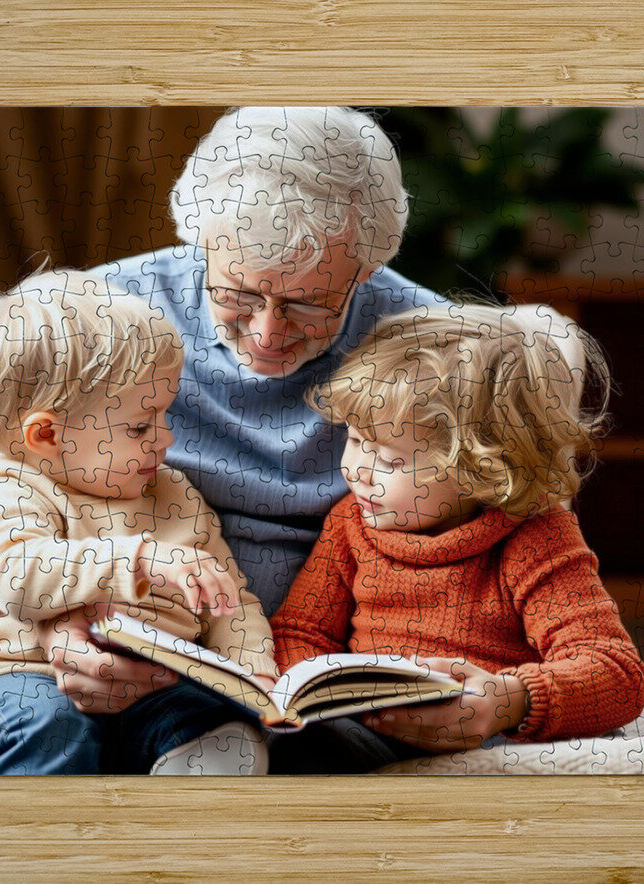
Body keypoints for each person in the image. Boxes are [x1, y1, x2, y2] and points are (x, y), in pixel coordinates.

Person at [41, 106, 586, 753]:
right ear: (201, 244)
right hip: (140, 634)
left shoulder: (438, 356)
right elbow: (16, 506)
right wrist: (55, 624)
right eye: (237, 294)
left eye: (309, 303)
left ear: (367, 268)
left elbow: (526, 526)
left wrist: (510, 697)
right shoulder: (96, 320)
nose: (268, 333)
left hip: (334, 688)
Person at [0, 270, 279, 774]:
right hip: (10, 682)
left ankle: (193, 836)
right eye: (139, 425)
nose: (166, 439)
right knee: (45, 723)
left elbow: (229, 603)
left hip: (153, 690)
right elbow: (21, 576)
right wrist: (143, 558)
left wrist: (254, 672)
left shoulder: (174, 494)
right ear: (45, 434)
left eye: (164, 415)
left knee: (221, 725)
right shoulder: (2, 489)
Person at [266, 303, 644, 773]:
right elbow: (301, 630)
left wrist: (506, 701)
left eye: (388, 460)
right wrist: (308, 694)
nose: (357, 472)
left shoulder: (536, 535)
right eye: (354, 440)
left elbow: (615, 672)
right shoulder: (351, 522)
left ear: (480, 468)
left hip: (482, 735)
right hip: (365, 727)